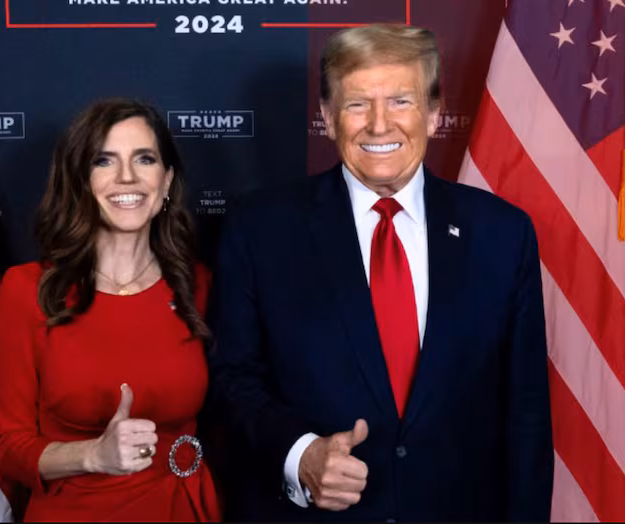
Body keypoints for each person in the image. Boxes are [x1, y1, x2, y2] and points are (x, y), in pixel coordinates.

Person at [207, 24, 553, 521]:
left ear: (434, 114)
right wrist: (300, 453)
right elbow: (232, 380)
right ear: (327, 117)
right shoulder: (259, 230)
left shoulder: (502, 234)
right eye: (356, 104)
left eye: (400, 101)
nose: (378, 124)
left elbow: (526, 415)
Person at [0, 98, 220, 522]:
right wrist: (94, 454)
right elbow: (7, 447)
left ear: (166, 181)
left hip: (182, 508)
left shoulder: (198, 285)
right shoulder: (28, 290)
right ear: (79, 180)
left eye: (144, 159)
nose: (127, 177)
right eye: (104, 161)